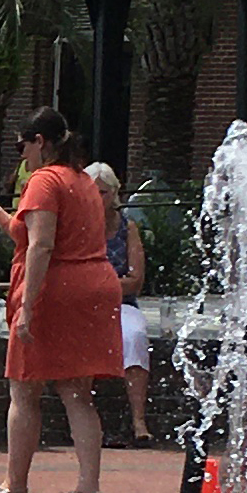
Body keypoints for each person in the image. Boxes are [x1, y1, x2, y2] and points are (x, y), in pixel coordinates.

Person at [0, 108, 122, 493]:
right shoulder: (85, 180)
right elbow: (36, 233)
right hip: (95, 284)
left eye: (23, 146)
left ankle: (14, 486)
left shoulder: (43, 180)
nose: (21, 156)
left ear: (40, 142)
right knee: (77, 393)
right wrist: (0, 215)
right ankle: (89, 492)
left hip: (56, 289)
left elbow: (41, 245)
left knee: (24, 388)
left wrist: (28, 307)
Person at [85, 161, 153, 446]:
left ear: (114, 194)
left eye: (102, 192)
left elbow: (135, 281)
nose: (97, 198)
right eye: (92, 191)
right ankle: (86, 420)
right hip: (84, 306)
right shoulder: (76, 227)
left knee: (135, 335)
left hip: (121, 303)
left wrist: (98, 283)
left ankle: (139, 421)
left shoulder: (128, 228)